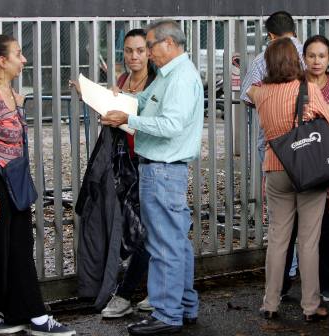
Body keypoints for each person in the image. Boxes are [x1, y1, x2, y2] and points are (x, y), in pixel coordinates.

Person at [0, 35, 76, 335]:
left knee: (18, 244)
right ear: (1, 61)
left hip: (7, 174)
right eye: (18, 55)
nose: (24, 60)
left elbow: (5, 132)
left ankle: (20, 314)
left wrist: (17, 106)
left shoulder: (5, 89)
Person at [102, 20, 203, 335]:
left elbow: (170, 124)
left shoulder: (180, 79)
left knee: (164, 246)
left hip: (163, 169)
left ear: (169, 44)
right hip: (162, 169)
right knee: (175, 244)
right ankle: (183, 307)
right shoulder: (168, 76)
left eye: (150, 46)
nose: (146, 53)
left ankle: (167, 314)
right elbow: (146, 103)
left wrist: (128, 118)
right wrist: (117, 100)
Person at [247, 37, 329, 321]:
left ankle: (270, 303)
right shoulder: (309, 89)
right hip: (308, 172)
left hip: (275, 170)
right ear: (296, 62)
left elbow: (248, 88)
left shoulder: (261, 94)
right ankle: (311, 307)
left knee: (277, 239)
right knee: (308, 241)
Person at [282, 35, 329, 302]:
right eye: (311, 56)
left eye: (321, 56)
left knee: (325, 227)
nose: (316, 61)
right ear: (304, 58)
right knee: (289, 229)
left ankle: (326, 286)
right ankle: (281, 288)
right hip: (300, 161)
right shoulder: (294, 83)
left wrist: (317, 107)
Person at [95, 28, 157, 318]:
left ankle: (125, 293)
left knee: (144, 231)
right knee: (138, 230)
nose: (133, 56)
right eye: (129, 51)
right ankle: (158, 291)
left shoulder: (157, 82)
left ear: (149, 52)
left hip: (148, 162)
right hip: (125, 164)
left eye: (139, 50)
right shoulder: (122, 80)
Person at [241, 10, 304, 161]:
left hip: (273, 139)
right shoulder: (315, 54)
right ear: (294, 31)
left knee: (273, 182)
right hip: (309, 136)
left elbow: (247, 95)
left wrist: (271, 99)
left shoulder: (262, 59)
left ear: (271, 35)